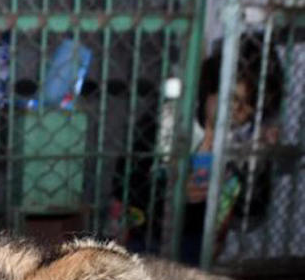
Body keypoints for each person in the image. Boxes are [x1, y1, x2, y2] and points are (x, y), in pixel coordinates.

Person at [111, 35, 283, 264]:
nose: (240, 114)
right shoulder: (172, 118)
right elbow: (125, 181)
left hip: (199, 245)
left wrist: (261, 162)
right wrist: (173, 191)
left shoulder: (245, 139)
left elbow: (251, 210)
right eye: (235, 100)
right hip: (148, 236)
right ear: (212, 88)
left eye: (250, 108)